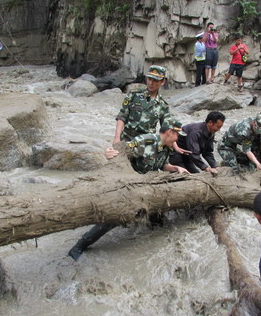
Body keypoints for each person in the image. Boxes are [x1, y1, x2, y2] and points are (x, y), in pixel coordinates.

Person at [68, 119, 189, 260]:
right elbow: (122, 151)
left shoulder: (166, 147)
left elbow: (163, 165)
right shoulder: (146, 141)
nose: (178, 139)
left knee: (156, 213)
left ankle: (155, 227)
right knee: (114, 217)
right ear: (170, 132)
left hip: (145, 186)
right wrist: (108, 152)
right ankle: (79, 246)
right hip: (126, 185)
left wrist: (176, 168)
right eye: (177, 135)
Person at [113, 65, 171, 144]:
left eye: (155, 80)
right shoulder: (134, 94)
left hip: (146, 145)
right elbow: (122, 116)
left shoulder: (163, 105)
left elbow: (166, 129)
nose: (151, 83)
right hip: (127, 139)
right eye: (149, 79)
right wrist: (117, 138)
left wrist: (173, 145)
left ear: (162, 82)